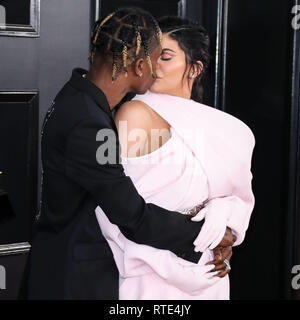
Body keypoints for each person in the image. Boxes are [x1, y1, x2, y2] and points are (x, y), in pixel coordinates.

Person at [23, 7, 236, 300]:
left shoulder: (77, 97)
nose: (157, 70)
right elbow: (132, 215)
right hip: (71, 278)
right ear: (138, 67)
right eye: (155, 59)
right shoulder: (90, 124)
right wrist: (207, 235)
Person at [95, 16, 255, 299]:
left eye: (165, 57)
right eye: (149, 55)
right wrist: (208, 234)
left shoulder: (228, 128)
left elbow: (236, 196)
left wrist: (221, 227)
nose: (153, 65)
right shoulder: (134, 114)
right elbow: (114, 203)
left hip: (209, 268)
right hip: (150, 268)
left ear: (194, 68)